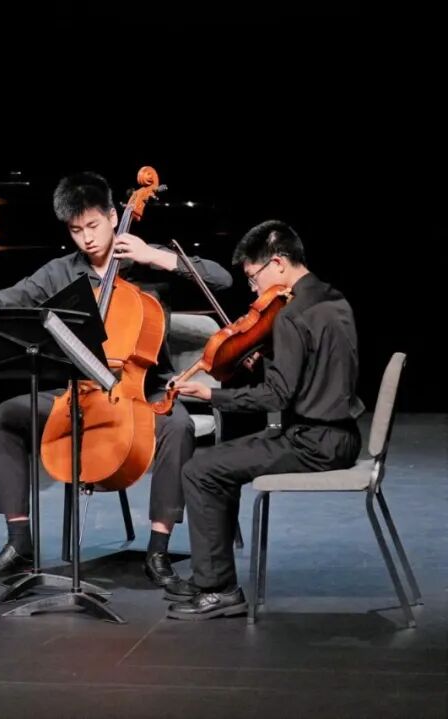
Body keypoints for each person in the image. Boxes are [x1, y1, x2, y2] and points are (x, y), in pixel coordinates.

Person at [0, 171, 232, 587]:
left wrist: (158, 257)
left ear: (114, 217)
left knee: (179, 427)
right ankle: (19, 542)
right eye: (76, 231)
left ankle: (158, 549)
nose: (87, 239)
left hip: (143, 390)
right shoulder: (60, 271)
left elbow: (222, 279)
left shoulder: (145, 260)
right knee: (3, 417)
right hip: (77, 389)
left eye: (94, 226)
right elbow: (10, 298)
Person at [166, 220, 363, 620]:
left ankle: (219, 589)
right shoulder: (332, 298)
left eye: (253, 277)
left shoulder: (290, 316)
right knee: (218, 466)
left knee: (201, 469)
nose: (253, 289)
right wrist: (269, 358)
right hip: (343, 436)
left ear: (278, 263)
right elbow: (314, 369)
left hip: (313, 443)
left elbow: (276, 396)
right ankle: (210, 575)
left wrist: (211, 395)